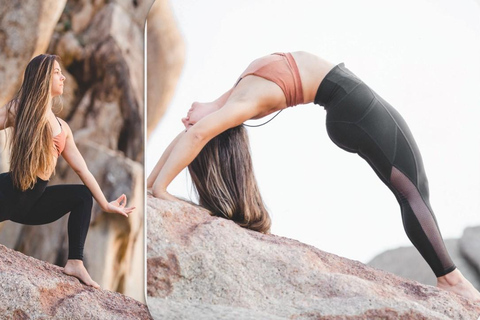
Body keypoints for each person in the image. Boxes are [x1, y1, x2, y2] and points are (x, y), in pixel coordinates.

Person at [147, 51, 480, 301]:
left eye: (190, 121)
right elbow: (197, 135)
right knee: (413, 193)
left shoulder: (234, 93)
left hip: (350, 101)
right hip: (353, 106)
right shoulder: (242, 102)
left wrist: (150, 184)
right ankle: (451, 279)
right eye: (195, 123)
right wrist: (161, 189)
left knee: (416, 188)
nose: (186, 119)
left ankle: (449, 276)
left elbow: (195, 132)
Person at [0, 54, 135, 289]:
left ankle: (75, 262)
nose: (63, 77)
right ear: (42, 77)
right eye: (56, 72)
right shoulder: (18, 108)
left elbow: (83, 170)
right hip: (9, 193)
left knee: (82, 195)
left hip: (34, 203)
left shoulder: (63, 128)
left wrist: (105, 204)